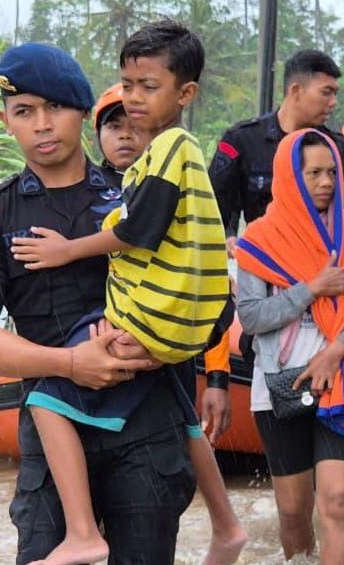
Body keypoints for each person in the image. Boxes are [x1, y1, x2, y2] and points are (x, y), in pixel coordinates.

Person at [0, 43, 199, 564]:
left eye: (55, 108)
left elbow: (206, 295)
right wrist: (68, 363)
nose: (42, 125)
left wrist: (155, 351)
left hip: (146, 423)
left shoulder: (137, 196)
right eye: (24, 112)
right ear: (6, 122)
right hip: (51, 424)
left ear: (83, 112)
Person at [3, 24, 243, 564]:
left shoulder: (154, 172)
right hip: (136, 371)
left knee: (46, 396)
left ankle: (94, 532)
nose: (130, 113)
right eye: (124, 92)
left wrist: (69, 251)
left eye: (55, 108)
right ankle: (225, 522)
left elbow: (163, 250)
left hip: (146, 407)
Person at [91, 76, 247, 565]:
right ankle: (225, 523)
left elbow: (209, 290)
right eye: (111, 125)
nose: (123, 135)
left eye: (133, 125)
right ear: (95, 134)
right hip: (102, 353)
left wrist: (218, 376)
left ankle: (225, 524)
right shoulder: (85, 192)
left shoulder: (170, 185)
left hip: (164, 355)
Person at [234, 129, 344, 562]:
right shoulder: (258, 240)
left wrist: (336, 349)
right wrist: (313, 288)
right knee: (292, 511)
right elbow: (250, 317)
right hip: (279, 385)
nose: (326, 182)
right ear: (289, 176)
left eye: (331, 172)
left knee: (339, 502)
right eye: (313, 174)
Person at [209, 49, 344, 256]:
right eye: (326, 92)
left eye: (335, 93)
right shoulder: (242, 141)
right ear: (296, 90)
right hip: (265, 268)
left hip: (328, 272)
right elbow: (214, 208)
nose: (334, 102)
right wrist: (227, 236)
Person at [93, 84, 143, 172]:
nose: (125, 135)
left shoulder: (168, 183)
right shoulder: (83, 183)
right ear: (98, 133)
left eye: (136, 126)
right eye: (115, 127)